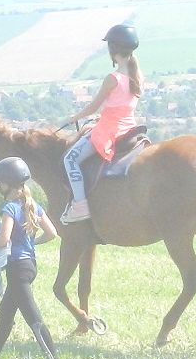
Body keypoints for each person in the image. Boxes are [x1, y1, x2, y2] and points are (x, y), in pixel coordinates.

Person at [0, 157, 60, 359]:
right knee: (6, 310)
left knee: (32, 316)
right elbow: (52, 233)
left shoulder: (9, 208)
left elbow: (4, 239)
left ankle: (53, 358)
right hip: (30, 266)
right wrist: (32, 243)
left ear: (5, 184)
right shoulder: (33, 206)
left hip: (16, 269)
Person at [59, 24, 142, 224]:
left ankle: (80, 205)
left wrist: (74, 118)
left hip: (109, 131)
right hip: (129, 127)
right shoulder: (137, 75)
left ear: (112, 49)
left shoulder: (112, 79)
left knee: (70, 160)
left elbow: (94, 107)